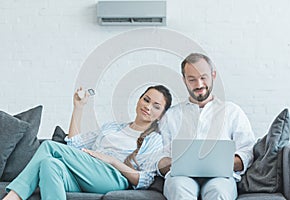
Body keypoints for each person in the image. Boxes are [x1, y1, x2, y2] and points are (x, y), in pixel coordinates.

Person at [3, 85, 172, 200]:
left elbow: (145, 179)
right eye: (146, 100)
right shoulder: (111, 127)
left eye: (156, 106)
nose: (148, 107)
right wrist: (78, 107)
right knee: (49, 164)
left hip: (113, 178)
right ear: (139, 100)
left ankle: (14, 196)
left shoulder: (154, 139)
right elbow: (74, 145)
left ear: (161, 115)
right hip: (88, 173)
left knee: (49, 146)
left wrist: (111, 161)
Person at [157, 53, 255, 200]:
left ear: (213, 75)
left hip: (220, 177)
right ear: (184, 80)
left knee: (218, 192)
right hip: (181, 177)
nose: (199, 84)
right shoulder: (171, 116)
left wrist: (218, 163)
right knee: (178, 189)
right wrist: (179, 163)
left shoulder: (232, 111)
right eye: (192, 79)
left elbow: (247, 151)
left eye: (203, 77)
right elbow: (159, 156)